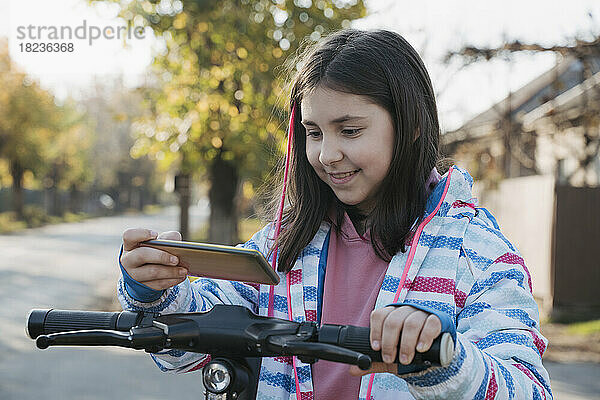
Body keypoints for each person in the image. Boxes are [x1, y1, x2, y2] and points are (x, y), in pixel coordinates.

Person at [117, 29, 553, 399]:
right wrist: (154, 291)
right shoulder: (281, 245)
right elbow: (187, 347)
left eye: (350, 130)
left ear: (411, 125)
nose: (326, 154)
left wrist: (445, 360)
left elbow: (528, 388)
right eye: (312, 132)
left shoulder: (478, 254)